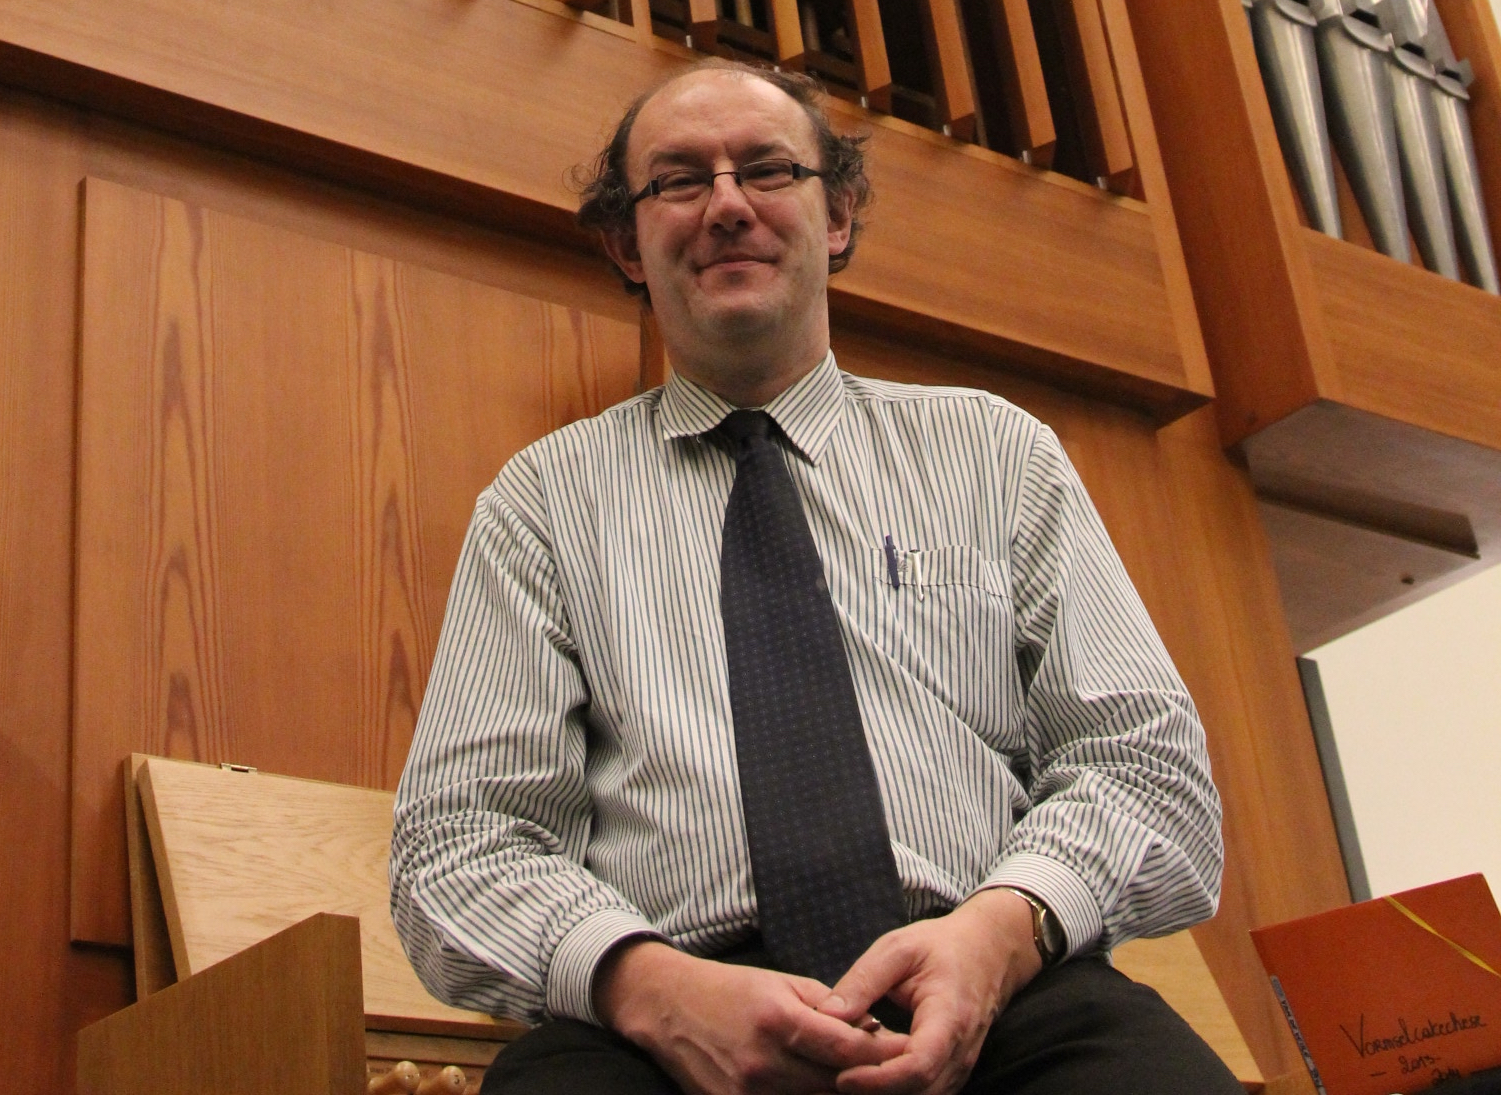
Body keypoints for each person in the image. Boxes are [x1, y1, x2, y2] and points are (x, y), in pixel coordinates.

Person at [391, 58, 1238, 1094]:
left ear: (836, 217)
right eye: (680, 180)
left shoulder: (997, 456)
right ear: (627, 242)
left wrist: (1001, 934)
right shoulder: (540, 505)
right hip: (664, 1025)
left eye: (766, 169)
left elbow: (1149, 771)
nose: (728, 205)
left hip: (1001, 985)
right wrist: (650, 990)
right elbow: (456, 843)